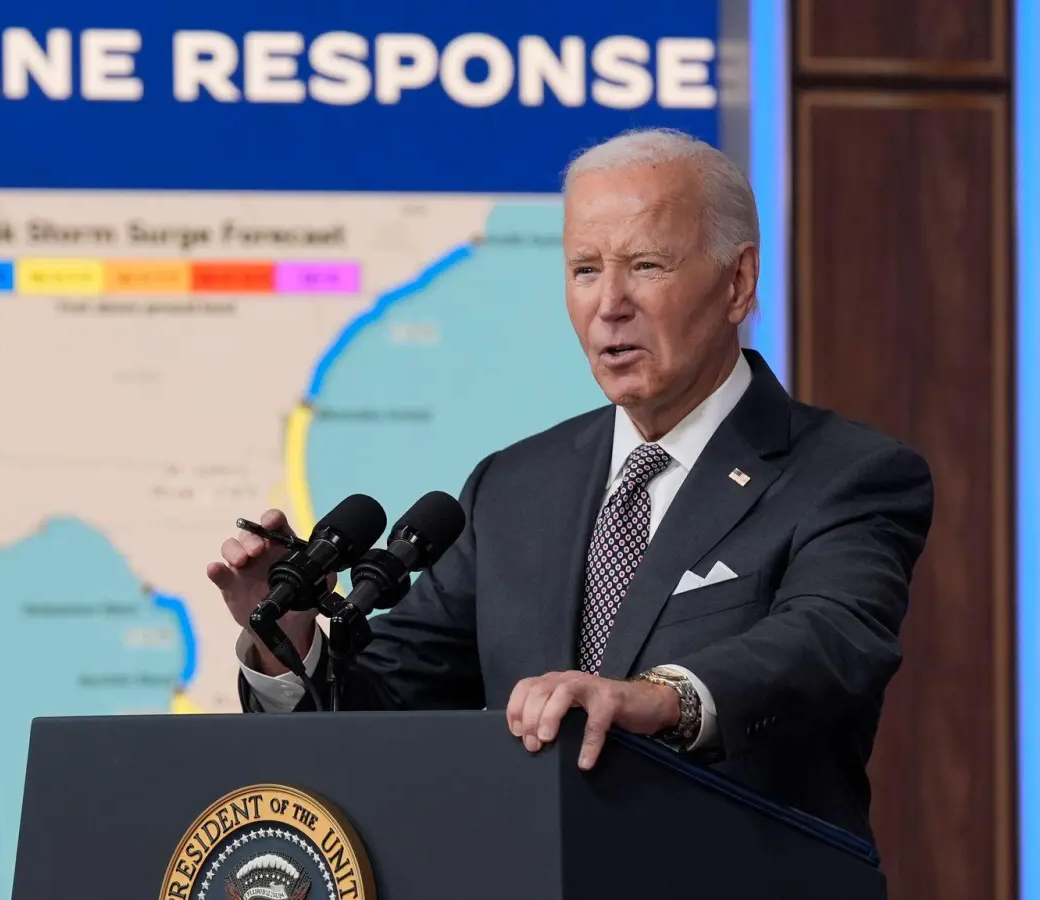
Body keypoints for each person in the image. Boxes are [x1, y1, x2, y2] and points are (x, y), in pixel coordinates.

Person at [205, 127, 934, 840]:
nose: (609, 303)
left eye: (646, 265)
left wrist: (657, 699)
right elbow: (391, 704)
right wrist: (286, 633)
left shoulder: (846, 475)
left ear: (738, 282)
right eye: (585, 269)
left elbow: (826, 641)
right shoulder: (515, 485)